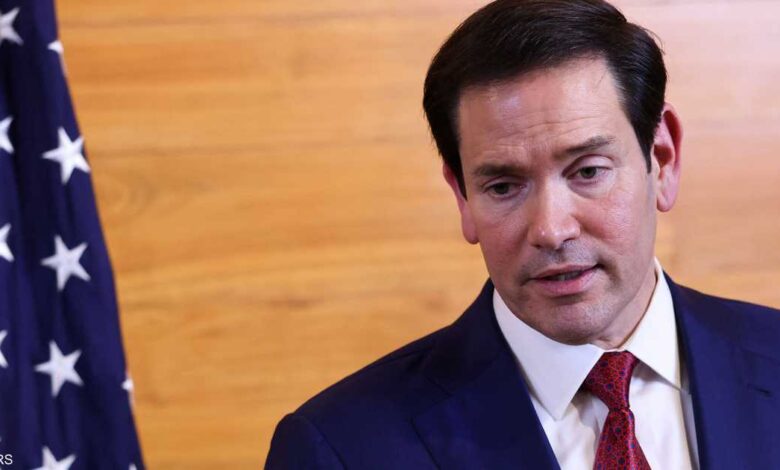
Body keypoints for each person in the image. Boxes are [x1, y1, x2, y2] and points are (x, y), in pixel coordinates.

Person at [265, 1, 780, 468]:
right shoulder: (339, 449)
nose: (551, 230)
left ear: (662, 160)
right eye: (504, 186)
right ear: (462, 197)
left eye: (588, 171)